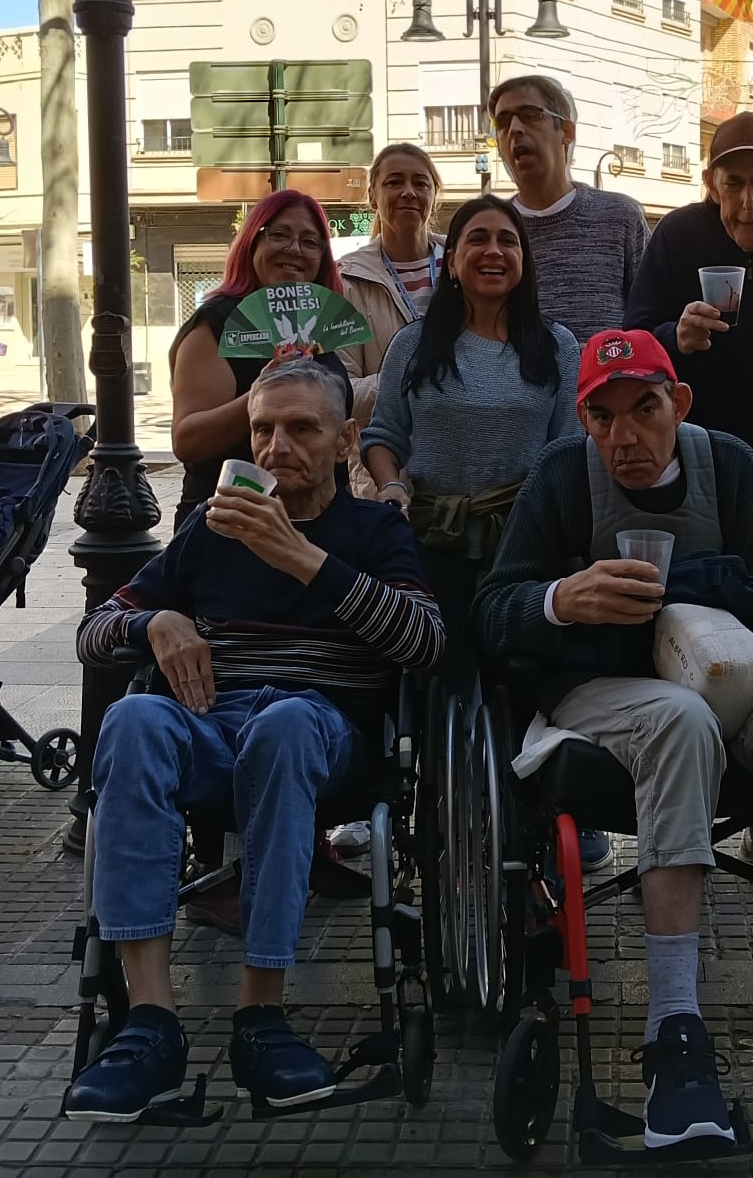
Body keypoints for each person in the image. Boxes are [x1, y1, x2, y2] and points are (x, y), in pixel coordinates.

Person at [474, 329, 753, 1149]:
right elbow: (495, 609)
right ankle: (673, 1034)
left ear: (678, 403)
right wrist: (562, 599)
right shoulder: (562, 477)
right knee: (679, 722)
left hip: (728, 674)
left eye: (643, 410)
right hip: (604, 695)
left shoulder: (730, 467)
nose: (623, 437)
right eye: (601, 417)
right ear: (583, 419)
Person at [64, 357, 444, 1120]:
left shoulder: (372, 530)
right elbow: (93, 633)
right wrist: (154, 620)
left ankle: (261, 1016)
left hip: (321, 731)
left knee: (286, 724)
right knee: (134, 717)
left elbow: (426, 642)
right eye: (263, 429)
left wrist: (300, 558)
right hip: (212, 726)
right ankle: (150, 1024)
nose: (275, 447)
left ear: (344, 441)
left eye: (301, 429)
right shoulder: (213, 525)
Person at [361, 195, 578, 685]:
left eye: (508, 241)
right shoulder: (413, 344)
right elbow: (382, 436)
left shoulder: (557, 346)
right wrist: (391, 487)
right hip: (432, 540)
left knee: (520, 683)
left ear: (524, 260)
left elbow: (569, 446)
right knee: (438, 676)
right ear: (453, 261)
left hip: (526, 545)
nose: (493, 251)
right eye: (477, 239)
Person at [624, 110, 753, 580]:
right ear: (711, 183)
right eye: (732, 184)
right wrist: (673, 338)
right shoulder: (677, 236)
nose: (747, 203)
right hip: (686, 468)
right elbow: (633, 340)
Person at [169, 190, 353, 529]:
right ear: (252, 242)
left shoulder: (317, 327)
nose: (294, 249)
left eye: (310, 242)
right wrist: (260, 394)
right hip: (233, 522)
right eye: (279, 235)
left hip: (320, 521)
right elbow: (187, 440)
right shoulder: (216, 324)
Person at [490, 73, 651, 339]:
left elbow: (650, 321)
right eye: (503, 121)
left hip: (608, 381)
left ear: (566, 131)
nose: (515, 129)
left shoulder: (621, 217)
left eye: (530, 114)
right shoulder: (491, 233)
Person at [337, 142, 445, 497]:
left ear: (434, 193)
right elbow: (339, 392)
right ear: (372, 196)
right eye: (394, 182)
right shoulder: (347, 281)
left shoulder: (466, 262)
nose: (408, 193)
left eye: (421, 183)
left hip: (462, 462)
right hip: (382, 473)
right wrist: (413, 379)